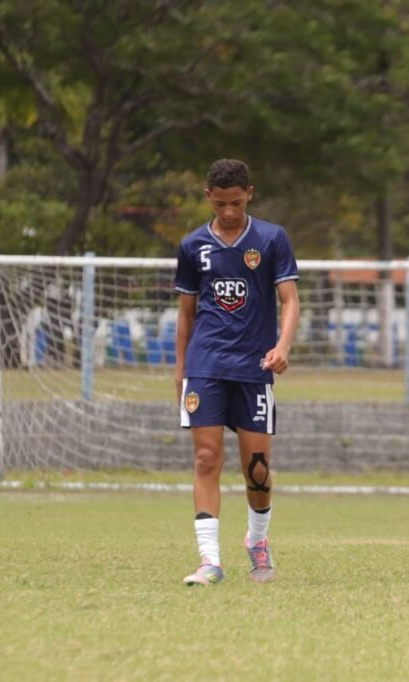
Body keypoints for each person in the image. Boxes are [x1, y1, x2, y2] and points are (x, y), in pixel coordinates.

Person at [173, 159, 300, 586]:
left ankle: (257, 541)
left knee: (257, 469)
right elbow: (186, 314)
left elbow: (290, 300)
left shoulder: (270, 239)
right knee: (206, 457)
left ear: (250, 192)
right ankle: (209, 560)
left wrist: (281, 347)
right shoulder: (193, 247)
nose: (229, 211)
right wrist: (180, 370)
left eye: (237, 202)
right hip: (206, 364)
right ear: (208, 196)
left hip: (253, 366)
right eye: (221, 203)